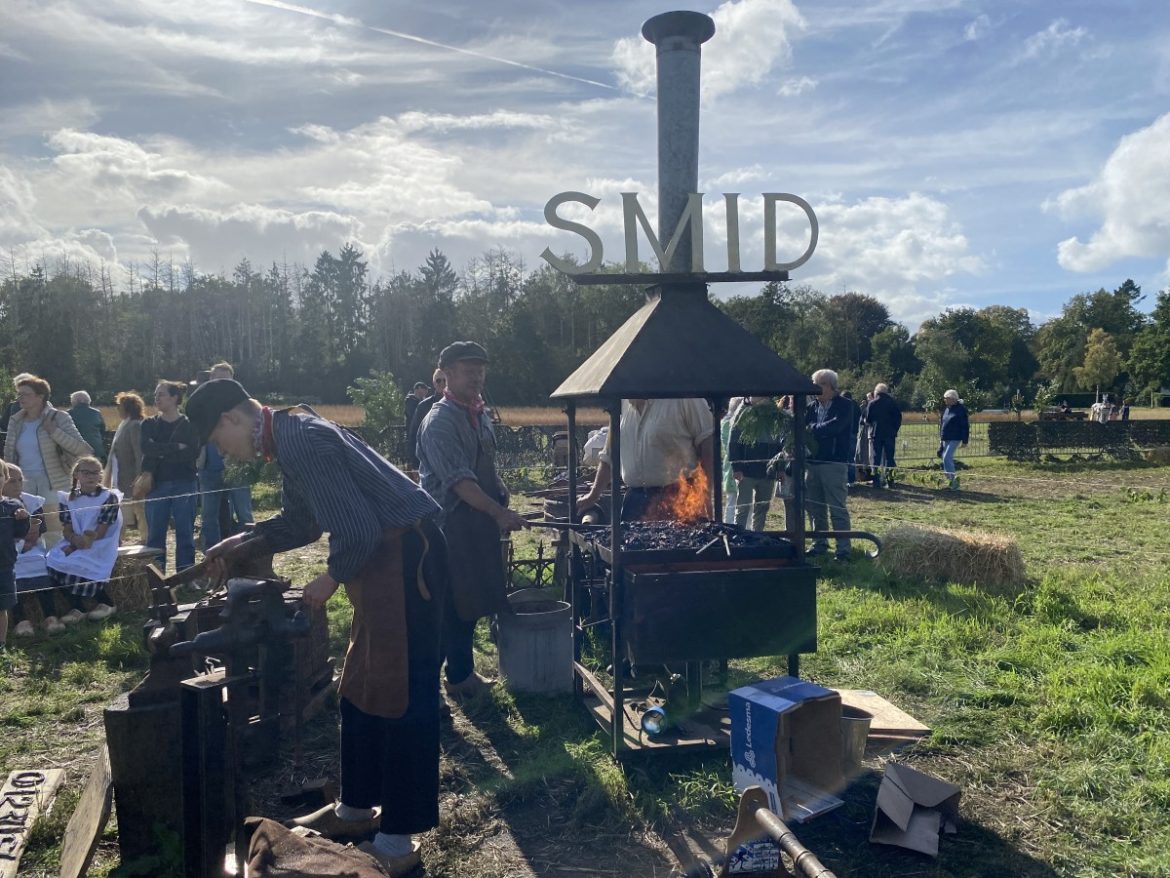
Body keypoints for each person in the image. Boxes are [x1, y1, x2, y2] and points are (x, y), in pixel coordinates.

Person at [189, 378, 446, 876]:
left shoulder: (300, 437)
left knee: (402, 695)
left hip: (406, 559)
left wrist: (330, 578)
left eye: (220, 442)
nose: (227, 452)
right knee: (362, 683)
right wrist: (240, 542)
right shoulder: (286, 435)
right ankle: (355, 809)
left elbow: (358, 532)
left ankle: (397, 841)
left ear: (231, 419)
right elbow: (302, 523)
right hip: (381, 562)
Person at [417, 341, 528, 701]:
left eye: (480, 370)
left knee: (468, 604)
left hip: (475, 522)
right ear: (446, 375)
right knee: (447, 608)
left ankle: (461, 674)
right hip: (448, 526)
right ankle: (430, 692)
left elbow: (484, 466)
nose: (476, 377)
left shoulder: (479, 415)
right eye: (468, 371)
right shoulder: (439, 422)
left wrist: (500, 491)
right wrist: (499, 513)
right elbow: (461, 483)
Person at [578, 398, 715, 522]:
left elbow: (708, 448)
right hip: (635, 501)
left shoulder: (685, 398)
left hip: (677, 498)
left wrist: (704, 496)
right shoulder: (623, 402)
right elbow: (608, 456)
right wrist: (593, 495)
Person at [3, 375, 95, 544]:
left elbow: (83, 450)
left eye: (25, 394)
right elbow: (9, 456)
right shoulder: (15, 421)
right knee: (26, 531)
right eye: (19, 394)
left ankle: (54, 566)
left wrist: (54, 432)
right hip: (23, 485)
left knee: (54, 533)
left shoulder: (59, 418)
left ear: (40, 396)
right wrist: (6, 482)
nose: (20, 398)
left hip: (53, 484)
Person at [44, 456, 122, 623]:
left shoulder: (108, 498)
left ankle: (107, 602)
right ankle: (77, 606)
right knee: (51, 560)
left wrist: (76, 546)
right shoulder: (68, 499)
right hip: (76, 540)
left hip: (100, 543)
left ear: (100, 476)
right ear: (76, 475)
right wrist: (72, 539)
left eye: (95, 473)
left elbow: (101, 531)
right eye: (86, 473)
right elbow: (67, 526)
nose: (91, 476)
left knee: (79, 560)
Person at [141, 381, 200, 573]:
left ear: (175, 398)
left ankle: (186, 575)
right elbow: (147, 448)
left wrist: (160, 450)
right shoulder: (149, 424)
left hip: (185, 483)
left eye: (162, 394)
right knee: (155, 536)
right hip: (156, 485)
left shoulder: (189, 424)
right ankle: (157, 577)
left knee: (185, 532)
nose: (156, 398)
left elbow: (192, 453)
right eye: (156, 394)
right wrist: (176, 447)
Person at [806, 369, 854, 560]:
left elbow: (836, 427)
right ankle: (819, 543)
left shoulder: (846, 405)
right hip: (812, 463)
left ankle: (843, 549)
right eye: (814, 384)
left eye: (820, 384)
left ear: (831, 386)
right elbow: (802, 428)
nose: (816, 389)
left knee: (837, 508)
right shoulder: (811, 407)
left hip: (834, 463)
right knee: (815, 508)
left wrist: (812, 430)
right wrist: (814, 430)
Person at [4, 464, 55, 638]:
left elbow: (41, 527)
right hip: (8, 551)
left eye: (20, 480)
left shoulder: (32, 501)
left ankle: (50, 615)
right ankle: (21, 620)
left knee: (40, 563)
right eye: (12, 481)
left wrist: (30, 536)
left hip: (33, 548)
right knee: (11, 573)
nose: (18, 484)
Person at [728, 397, 788, 531]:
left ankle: (757, 536)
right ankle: (740, 536)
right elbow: (733, 442)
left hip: (768, 472)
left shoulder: (776, 416)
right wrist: (736, 467)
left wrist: (780, 469)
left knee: (762, 507)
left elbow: (781, 446)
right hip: (746, 471)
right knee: (743, 507)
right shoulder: (744, 412)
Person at [208, 363, 255, 533]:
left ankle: (250, 551)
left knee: (244, 512)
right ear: (210, 380)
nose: (222, 384)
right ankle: (213, 554)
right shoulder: (202, 406)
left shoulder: (243, 406)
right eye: (218, 379)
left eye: (226, 380)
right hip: (209, 467)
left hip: (237, 464)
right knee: (210, 516)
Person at [106, 392, 146, 538]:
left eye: (120, 406)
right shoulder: (124, 423)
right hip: (121, 475)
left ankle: (145, 537)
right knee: (122, 508)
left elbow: (138, 453)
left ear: (128, 407)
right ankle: (119, 538)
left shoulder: (135, 425)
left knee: (139, 508)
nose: (117, 409)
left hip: (131, 475)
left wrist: (139, 476)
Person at [0, 471, 32, 649]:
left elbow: (20, 534)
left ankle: (1, 645)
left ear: (4, 478)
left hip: (3, 565)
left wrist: (23, 519)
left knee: (1, 608)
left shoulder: (12, 506)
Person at [407, 369, 446, 470]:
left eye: (444, 380)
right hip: (429, 463)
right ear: (434, 383)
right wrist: (415, 464)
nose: (442, 383)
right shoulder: (423, 406)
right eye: (438, 380)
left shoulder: (459, 403)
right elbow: (414, 434)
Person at [866, 383, 903, 489]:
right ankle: (890, 481)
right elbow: (898, 418)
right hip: (889, 434)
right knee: (889, 458)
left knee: (875, 458)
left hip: (876, 433)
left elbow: (868, 419)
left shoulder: (872, 403)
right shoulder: (892, 403)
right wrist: (894, 429)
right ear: (886, 392)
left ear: (876, 392)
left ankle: (876, 481)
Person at [720, 397, 747, 524]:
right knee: (732, 500)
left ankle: (747, 528)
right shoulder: (726, 424)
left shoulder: (747, 424)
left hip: (747, 466)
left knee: (747, 501)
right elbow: (727, 445)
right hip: (732, 467)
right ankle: (730, 526)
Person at [939, 389, 969, 490]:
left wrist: (965, 440)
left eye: (946, 398)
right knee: (944, 458)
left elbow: (965, 425)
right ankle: (950, 481)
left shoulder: (960, 410)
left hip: (955, 437)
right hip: (946, 437)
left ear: (953, 399)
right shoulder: (947, 409)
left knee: (947, 457)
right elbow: (942, 424)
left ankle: (954, 483)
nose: (944, 400)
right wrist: (941, 439)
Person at [68, 391, 107, 463]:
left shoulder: (69, 414)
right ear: (88, 401)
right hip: (97, 451)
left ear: (75, 402)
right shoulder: (96, 413)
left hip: (76, 453)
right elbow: (103, 430)